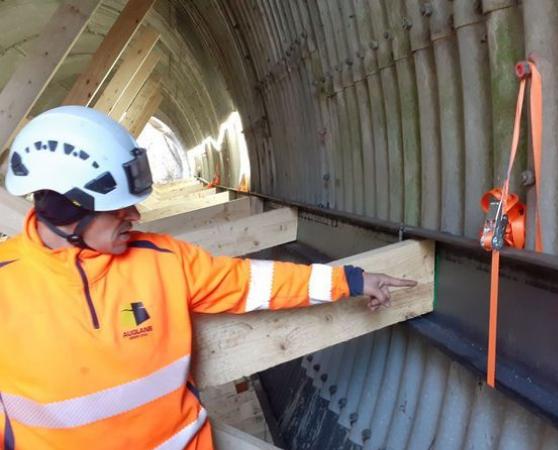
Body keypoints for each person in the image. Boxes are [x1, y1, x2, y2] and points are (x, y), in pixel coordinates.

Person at [0, 106, 416, 449]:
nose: (134, 215)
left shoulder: (162, 260)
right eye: (118, 207)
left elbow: (251, 283)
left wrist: (353, 281)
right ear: (64, 211)